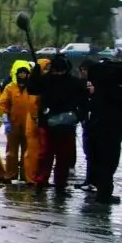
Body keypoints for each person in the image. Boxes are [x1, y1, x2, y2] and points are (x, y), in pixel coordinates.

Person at [27, 54, 87, 193]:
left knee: (63, 157)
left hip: (66, 124)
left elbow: (83, 103)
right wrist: (35, 73)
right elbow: (32, 88)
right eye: (55, 70)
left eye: (60, 71)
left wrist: (78, 116)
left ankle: (60, 184)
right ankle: (41, 181)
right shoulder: (46, 80)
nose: (58, 73)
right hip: (47, 123)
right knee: (45, 154)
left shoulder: (74, 83)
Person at [84, 59, 122, 204]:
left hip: (96, 127)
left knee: (98, 159)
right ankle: (104, 193)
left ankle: (101, 189)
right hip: (110, 130)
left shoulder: (98, 90)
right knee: (109, 161)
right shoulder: (114, 90)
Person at [0, 60, 36, 184]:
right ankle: (10, 174)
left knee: (28, 152)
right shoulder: (10, 88)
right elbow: (2, 105)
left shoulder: (32, 87)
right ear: (16, 74)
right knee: (11, 152)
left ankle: (27, 175)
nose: (23, 76)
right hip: (13, 124)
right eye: (20, 73)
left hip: (29, 125)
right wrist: (5, 120)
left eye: (25, 73)